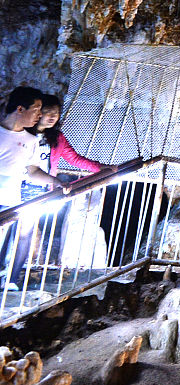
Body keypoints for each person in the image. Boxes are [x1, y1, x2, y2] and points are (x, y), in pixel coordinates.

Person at [25, 94, 111, 269]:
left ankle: (18, 268)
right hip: (20, 184)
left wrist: (100, 168)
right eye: (48, 112)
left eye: (56, 114)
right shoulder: (24, 133)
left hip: (42, 187)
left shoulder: (57, 138)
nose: (52, 117)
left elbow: (75, 159)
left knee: (27, 230)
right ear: (38, 112)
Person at [0, 88, 51, 290]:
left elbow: (32, 170)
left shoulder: (31, 140)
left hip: (11, 200)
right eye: (37, 109)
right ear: (20, 109)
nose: (40, 115)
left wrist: (54, 181)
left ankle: (9, 280)